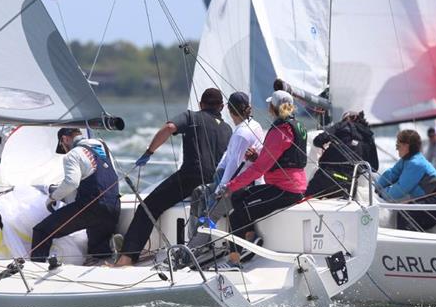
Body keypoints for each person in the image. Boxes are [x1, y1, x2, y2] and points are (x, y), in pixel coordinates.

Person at [111, 88, 232, 266]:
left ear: (200, 104)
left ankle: (126, 258)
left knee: (149, 206)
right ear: (221, 106)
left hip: (191, 176)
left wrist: (149, 152)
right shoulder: (228, 129)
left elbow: (169, 128)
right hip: (215, 182)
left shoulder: (192, 116)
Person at [217, 89, 308, 265]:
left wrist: (230, 185)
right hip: (289, 185)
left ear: (273, 108)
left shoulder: (280, 131)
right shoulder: (297, 126)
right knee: (239, 197)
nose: (268, 107)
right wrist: (256, 157)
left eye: (269, 104)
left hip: (286, 190)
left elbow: (259, 170)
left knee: (237, 215)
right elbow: (279, 159)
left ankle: (233, 262)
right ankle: (251, 240)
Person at [30, 128, 120, 268]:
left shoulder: (73, 154)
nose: (64, 151)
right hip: (113, 206)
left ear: (65, 139)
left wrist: (53, 197)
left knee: (42, 231)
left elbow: (71, 183)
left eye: (62, 147)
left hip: (91, 208)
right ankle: (102, 258)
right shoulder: (102, 145)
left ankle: (34, 270)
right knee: (98, 248)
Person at [188, 91, 264, 240]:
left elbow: (234, 164)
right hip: (237, 181)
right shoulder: (254, 125)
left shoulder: (242, 133)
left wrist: (221, 188)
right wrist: (218, 173)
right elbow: (228, 156)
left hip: (239, 186)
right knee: (199, 192)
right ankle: (197, 240)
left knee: (210, 213)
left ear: (229, 110)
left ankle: (195, 248)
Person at [377, 129, 436, 231]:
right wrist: (376, 186)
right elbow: (392, 173)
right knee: (408, 210)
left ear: (406, 146)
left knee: (406, 213)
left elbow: (399, 190)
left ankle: (406, 244)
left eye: (398, 145)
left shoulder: (415, 163)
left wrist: (380, 193)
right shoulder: (406, 160)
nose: (397, 149)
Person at [305, 111, 379, 199]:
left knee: (306, 200)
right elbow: (374, 167)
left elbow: (318, 140)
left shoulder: (341, 125)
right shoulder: (369, 136)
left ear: (350, 118)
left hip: (327, 177)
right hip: (349, 185)